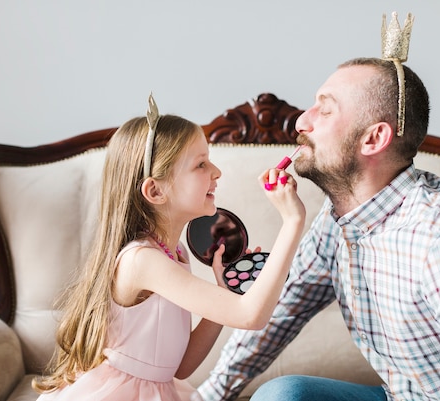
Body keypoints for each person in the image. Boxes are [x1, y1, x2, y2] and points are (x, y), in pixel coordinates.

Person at [196, 58, 440, 400]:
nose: (301, 122)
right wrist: (205, 397)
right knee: (283, 396)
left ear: (374, 139)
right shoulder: (338, 218)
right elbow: (280, 315)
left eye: (324, 110)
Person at [31, 94, 306, 401]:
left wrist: (224, 292)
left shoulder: (174, 254)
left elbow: (180, 366)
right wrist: (292, 221)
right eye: (201, 164)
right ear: (155, 190)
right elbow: (250, 315)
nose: (216, 171)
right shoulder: (142, 261)